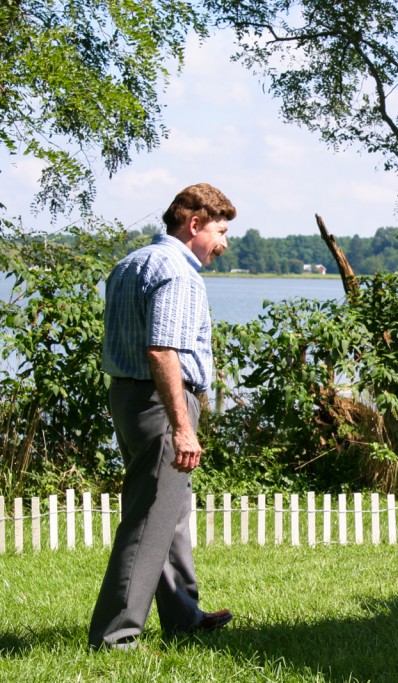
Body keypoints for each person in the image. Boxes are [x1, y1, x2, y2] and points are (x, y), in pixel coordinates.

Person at [89, 183, 237, 650]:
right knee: (150, 517)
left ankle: (184, 616)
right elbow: (162, 350)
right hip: (160, 402)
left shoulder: (130, 263)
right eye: (220, 230)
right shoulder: (177, 271)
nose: (224, 243)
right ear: (194, 224)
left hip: (129, 397)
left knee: (169, 512)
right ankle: (116, 635)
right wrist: (182, 424)